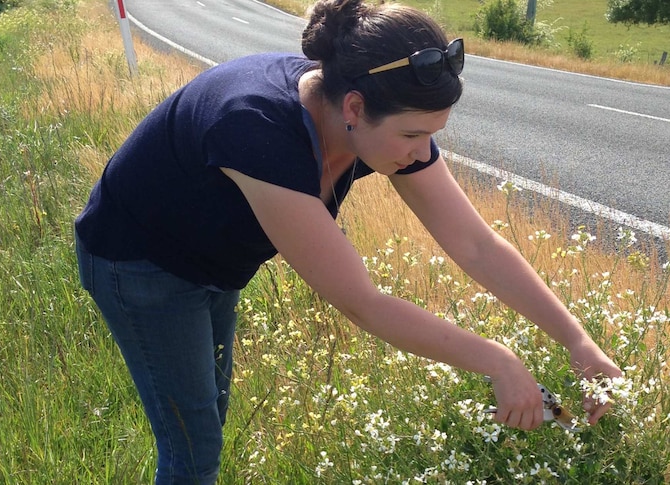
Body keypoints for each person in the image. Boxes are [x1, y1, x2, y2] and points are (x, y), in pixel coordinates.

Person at [74, 0, 622, 482]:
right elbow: (362, 302)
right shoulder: (254, 126)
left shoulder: (369, 124)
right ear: (355, 108)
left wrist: (577, 342)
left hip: (213, 262)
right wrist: (499, 362)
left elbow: (475, 245)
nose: (422, 152)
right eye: (412, 134)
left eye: (433, 134)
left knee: (204, 418)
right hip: (139, 264)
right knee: (192, 447)